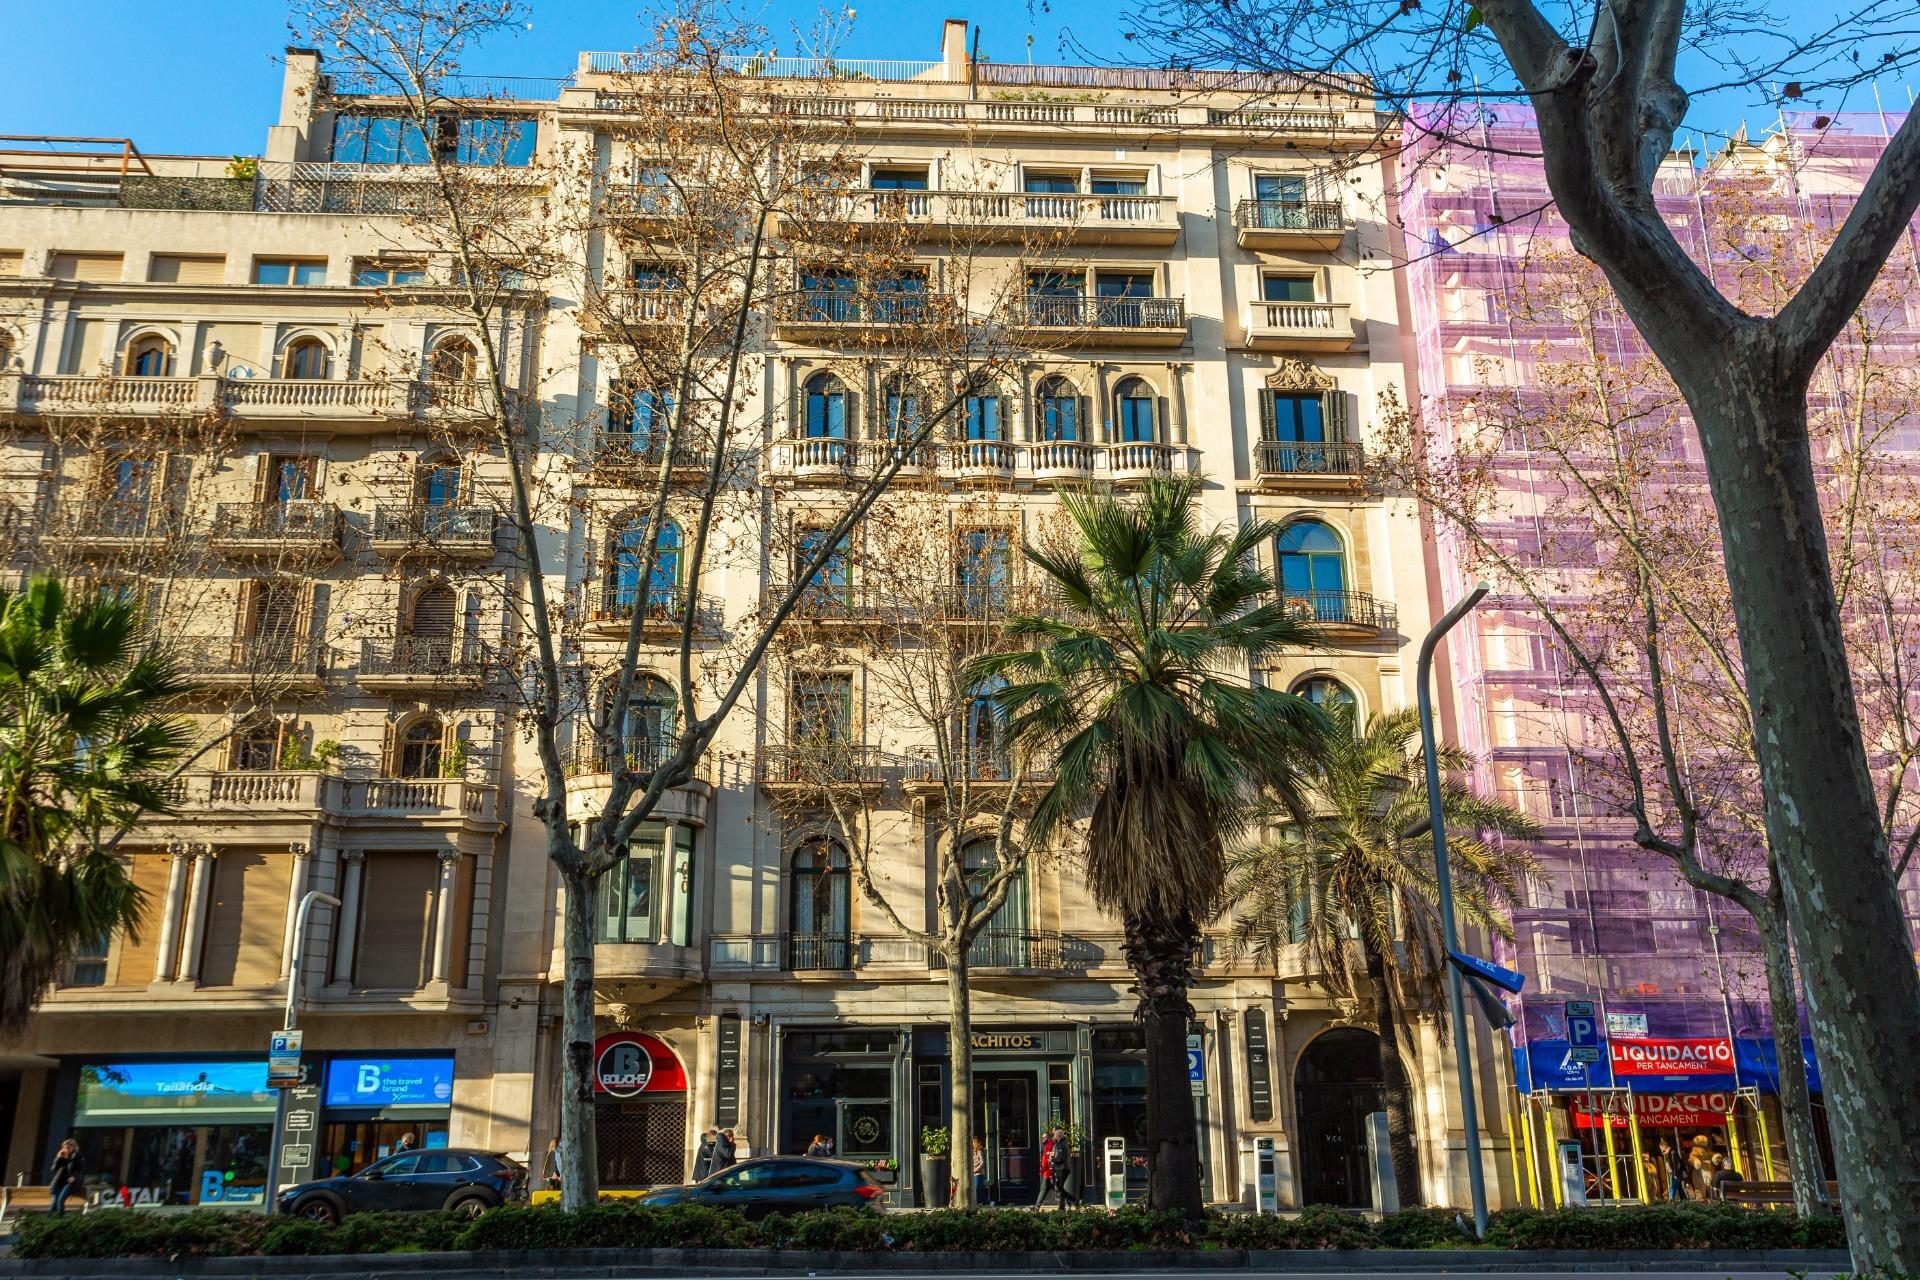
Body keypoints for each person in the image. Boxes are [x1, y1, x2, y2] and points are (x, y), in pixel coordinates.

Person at [48, 1139, 83, 1215]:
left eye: (69, 1147)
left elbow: (79, 1169)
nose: (66, 1149)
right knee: (53, 1204)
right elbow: (53, 1169)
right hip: (58, 1182)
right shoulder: (62, 1156)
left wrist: (73, 1176)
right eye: (65, 1147)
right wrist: (58, 1158)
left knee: (60, 1200)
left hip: (69, 1183)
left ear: (73, 1148)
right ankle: (50, 1221)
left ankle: (61, 1220)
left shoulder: (77, 1156)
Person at [1657, 1137, 1686, 1202]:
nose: (1661, 1150)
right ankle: (1685, 1200)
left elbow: (1676, 1164)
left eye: (1661, 1148)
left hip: (1674, 1174)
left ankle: (1671, 1201)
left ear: (1664, 1146)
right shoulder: (1670, 1153)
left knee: (1672, 1188)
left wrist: (1675, 1174)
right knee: (1680, 1189)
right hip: (1674, 1174)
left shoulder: (1672, 1153)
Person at [1036, 1129, 1059, 1208]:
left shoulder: (1049, 1145)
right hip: (1048, 1172)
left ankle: (1036, 1207)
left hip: (1048, 1172)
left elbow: (1047, 1159)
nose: (1042, 1139)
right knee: (1048, 1189)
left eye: (1044, 1137)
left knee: (1045, 1189)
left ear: (1049, 1138)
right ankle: (1037, 1206)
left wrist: (1043, 1169)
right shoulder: (1049, 1145)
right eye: (1042, 1138)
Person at [970, 1134, 987, 1206]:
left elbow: (982, 1162)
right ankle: (977, 1204)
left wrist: (975, 1169)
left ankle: (988, 1202)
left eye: (974, 1142)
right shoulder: (972, 1151)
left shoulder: (979, 1151)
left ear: (976, 1143)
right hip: (973, 1174)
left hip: (979, 1174)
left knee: (977, 1189)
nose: (972, 1144)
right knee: (976, 1190)